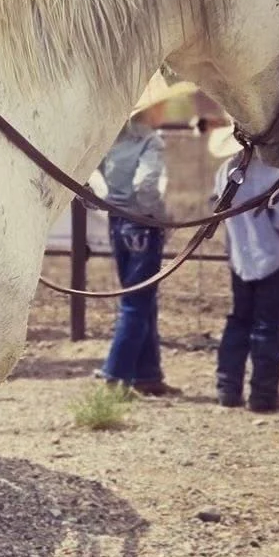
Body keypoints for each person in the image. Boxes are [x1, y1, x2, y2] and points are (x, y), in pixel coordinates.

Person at [210, 124, 279, 413]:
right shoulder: (276, 173)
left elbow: (218, 208)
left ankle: (228, 387)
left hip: (241, 259)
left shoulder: (226, 171)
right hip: (273, 258)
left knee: (239, 320)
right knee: (267, 327)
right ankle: (263, 394)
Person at [96, 114, 174, 397]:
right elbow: (146, 187)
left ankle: (148, 375)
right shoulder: (150, 141)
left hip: (117, 222)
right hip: (143, 225)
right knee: (137, 303)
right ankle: (115, 375)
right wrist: (161, 218)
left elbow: (97, 179)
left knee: (141, 299)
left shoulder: (111, 138)